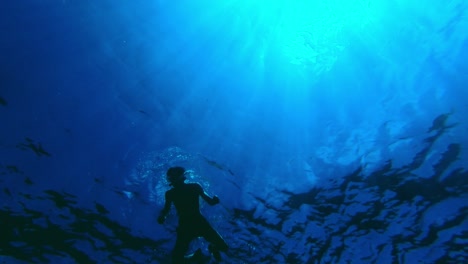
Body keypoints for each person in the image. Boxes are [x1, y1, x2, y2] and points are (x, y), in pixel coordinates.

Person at [158, 166, 228, 263]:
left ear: (181, 176)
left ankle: (212, 248)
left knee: (223, 247)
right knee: (176, 259)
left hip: (197, 222)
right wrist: (163, 216)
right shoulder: (170, 194)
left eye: (174, 176)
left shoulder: (194, 187)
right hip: (187, 225)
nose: (172, 179)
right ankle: (196, 257)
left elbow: (210, 201)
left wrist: (214, 201)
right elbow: (166, 210)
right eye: (171, 177)